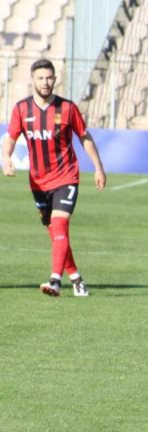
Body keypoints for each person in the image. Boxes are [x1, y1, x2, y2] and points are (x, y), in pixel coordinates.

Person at [2, 58, 107, 297]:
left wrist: (98, 167)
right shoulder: (21, 109)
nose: (46, 82)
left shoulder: (67, 108)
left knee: (60, 225)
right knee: (56, 235)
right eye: (41, 78)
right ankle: (77, 279)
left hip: (66, 176)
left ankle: (55, 281)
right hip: (38, 182)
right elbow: (10, 137)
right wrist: (6, 158)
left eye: (49, 78)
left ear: (55, 79)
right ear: (32, 80)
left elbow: (85, 137)